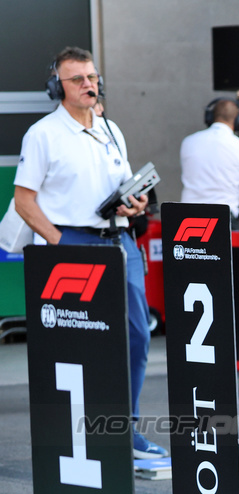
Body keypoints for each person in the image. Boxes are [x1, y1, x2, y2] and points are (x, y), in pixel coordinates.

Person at [13, 46, 166, 459]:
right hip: (72, 243)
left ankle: (126, 431)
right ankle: (79, 439)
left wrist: (137, 206)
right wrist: (61, 245)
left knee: (136, 335)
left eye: (93, 78)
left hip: (119, 240)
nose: (89, 85)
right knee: (80, 343)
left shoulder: (111, 129)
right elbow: (24, 202)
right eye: (77, 79)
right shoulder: (44, 134)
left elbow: (125, 186)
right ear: (56, 86)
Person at [179, 97, 239, 220]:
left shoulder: (188, 142)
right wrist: (230, 193)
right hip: (223, 219)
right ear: (238, 121)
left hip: (187, 216)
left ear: (210, 117)